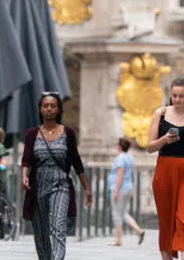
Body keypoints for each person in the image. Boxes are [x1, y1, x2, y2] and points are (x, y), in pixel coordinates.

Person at [22, 92, 92, 260]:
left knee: (58, 227)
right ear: (40, 109)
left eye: (53, 106)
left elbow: (76, 162)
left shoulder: (67, 133)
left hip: (61, 184)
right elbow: (26, 160)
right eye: (45, 106)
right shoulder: (32, 134)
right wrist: (24, 176)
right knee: (41, 232)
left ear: (59, 109)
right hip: (38, 186)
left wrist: (87, 188)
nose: (49, 109)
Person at [147, 76, 184, 260]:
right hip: (164, 171)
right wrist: (164, 140)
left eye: (181, 95)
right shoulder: (161, 114)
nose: (177, 99)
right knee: (166, 225)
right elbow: (149, 147)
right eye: (174, 95)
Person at [108, 136, 145, 246]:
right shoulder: (129, 156)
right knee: (123, 212)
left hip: (120, 188)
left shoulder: (120, 158)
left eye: (116, 144)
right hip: (128, 187)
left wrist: (115, 191)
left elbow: (120, 175)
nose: (115, 146)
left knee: (116, 214)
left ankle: (118, 240)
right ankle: (139, 231)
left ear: (119, 146)